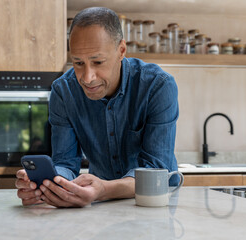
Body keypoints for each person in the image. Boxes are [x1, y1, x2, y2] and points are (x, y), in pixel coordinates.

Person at [16, 7, 179, 207]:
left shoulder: (158, 86)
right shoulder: (63, 91)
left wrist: (103, 190)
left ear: (121, 51)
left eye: (98, 62)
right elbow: (66, 164)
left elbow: (156, 170)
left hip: (157, 200)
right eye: (78, 63)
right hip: (102, 202)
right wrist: (47, 185)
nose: (87, 77)